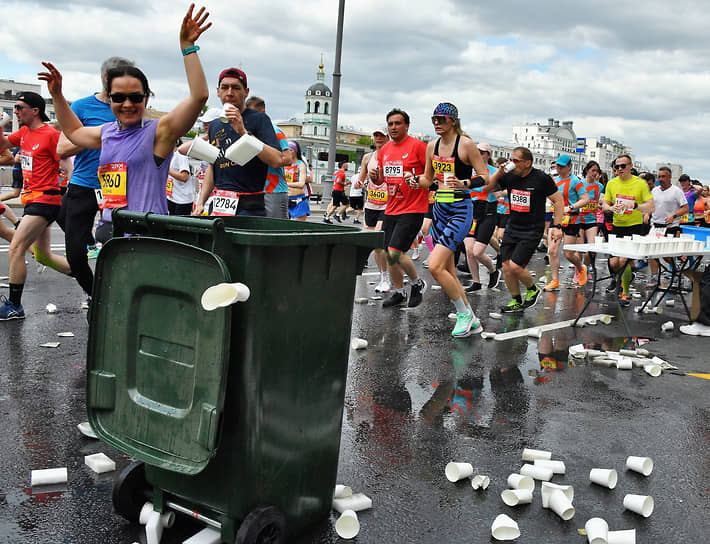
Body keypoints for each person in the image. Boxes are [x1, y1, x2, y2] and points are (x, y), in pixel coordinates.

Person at [41, 4, 210, 235]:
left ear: (146, 97)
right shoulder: (107, 132)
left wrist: (188, 47)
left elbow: (199, 97)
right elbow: (74, 132)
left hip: (146, 234)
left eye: (135, 97)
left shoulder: (159, 132)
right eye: (119, 97)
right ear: (109, 98)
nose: (127, 104)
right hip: (111, 229)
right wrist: (58, 95)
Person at [54, 56, 134, 299]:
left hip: (121, 190)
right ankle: (96, 296)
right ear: (107, 80)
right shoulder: (81, 107)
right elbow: (61, 150)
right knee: (76, 255)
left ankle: (118, 299)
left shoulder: (130, 107)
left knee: (124, 251)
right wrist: (98, 137)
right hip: (85, 184)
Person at [412, 102, 489, 337]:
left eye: (441, 119)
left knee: (435, 266)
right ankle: (472, 319)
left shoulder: (465, 144)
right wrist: (415, 180)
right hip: (440, 209)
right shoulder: (432, 146)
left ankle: (463, 313)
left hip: (460, 210)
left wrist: (464, 183)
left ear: (452, 121)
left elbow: (484, 176)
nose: (436, 123)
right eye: (434, 118)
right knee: (449, 270)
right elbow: (428, 179)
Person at [0, 91, 72, 319]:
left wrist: (72, 188)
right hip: (32, 200)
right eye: (15, 108)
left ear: (35, 110)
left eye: (20, 107)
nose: (17, 111)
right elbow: (2, 144)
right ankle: (90, 281)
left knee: (16, 248)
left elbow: (67, 163)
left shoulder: (50, 135)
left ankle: (14, 306)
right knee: (43, 256)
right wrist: (2, 124)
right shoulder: (23, 133)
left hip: (46, 199)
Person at [194, 66, 282, 217]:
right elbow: (213, 165)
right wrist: (201, 201)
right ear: (218, 91)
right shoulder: (215, 125)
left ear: (246, 92)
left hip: (250, 205)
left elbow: (276, 160)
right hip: (220, 204)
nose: (229, 93)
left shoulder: (259, 120)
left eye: (235, 88)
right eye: (225, 87)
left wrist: (243, 132)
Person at [491, 147, 564, 313]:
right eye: (511, 159)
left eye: (516, 160)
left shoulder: (541, 178)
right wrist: (500, 172)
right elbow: (489, 186)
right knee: (506, 266)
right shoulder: (509, 176)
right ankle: (516, 300)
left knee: (515, 266)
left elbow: (558, 201)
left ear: (527, 163)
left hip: (532, 229)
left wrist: (557, 226)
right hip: (513, 226)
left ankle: (533, 289)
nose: (512, 163)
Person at [377, 108, 428, 308]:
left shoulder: (418, 147)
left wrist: (415, 179)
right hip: (391, 208)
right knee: (388, 255)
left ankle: (417, 283)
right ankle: (399, 292)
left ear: (407, 125)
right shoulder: (385, 150)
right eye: (390, 124)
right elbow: (382, 179)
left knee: (394, 252)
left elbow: (429, 176)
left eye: (398, 123)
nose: (393, 127)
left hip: (413, 208)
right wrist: (375, 176)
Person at [600, 154, 654, 306]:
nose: (619, 169)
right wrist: (610, 208)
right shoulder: (611, 183)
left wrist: (635, 206)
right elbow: (604, 205)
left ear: (630, 166)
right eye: (617, 166)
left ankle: (625, 292)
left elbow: (650, 206)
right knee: (614, 262)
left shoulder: (640, 183)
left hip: (634, 226)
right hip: (617, 226)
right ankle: (626, 277)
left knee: (624, 260)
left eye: (623, 166)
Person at [543, 154, 590, 291]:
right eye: (557, 165)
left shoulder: (575, 181)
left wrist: (570, 207)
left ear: (569, 167)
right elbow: (550, 198)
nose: (559, 168)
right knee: (552, 250)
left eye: (562, 166)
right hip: (556, 219)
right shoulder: (554, 181)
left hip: (572, 219)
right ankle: (555, 280)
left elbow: (585, 199)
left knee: (568, 253)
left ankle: (581, 268)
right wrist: (548, 202)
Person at [462, 141, 500, 292]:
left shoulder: (493, 172)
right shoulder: (467, 170)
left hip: (488, 211)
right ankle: (476, 282)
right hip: (470, 211)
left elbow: (500, 193)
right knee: (469, 250)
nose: (479, 154)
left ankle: (493, 270)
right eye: (476, 151)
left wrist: (494, 189)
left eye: (482, 152)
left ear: (488, 155)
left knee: (478, 251)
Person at [245, 96, 290, 219]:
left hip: (273, 191)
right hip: (253, 190)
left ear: (262, 112)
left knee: (276, 232)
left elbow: (287, 159)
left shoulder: (275, 131)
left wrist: (265, 153)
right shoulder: (246, 131)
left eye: (253, 113)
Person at [359, 127, 390, 292]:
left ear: (387, 137)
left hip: (388, 204)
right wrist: (360, 183)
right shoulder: (367, 157)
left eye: (381, 136)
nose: (378, 138)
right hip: (371, 203)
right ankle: (383, 275)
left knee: (379, 240)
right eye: (376, 135)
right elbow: (361, 179)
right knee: (371, 240)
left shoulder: (392, 156)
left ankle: (385, 278)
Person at [166, 139, 193, 215]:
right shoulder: (169, 155)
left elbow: (184, 177)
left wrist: (167, 169)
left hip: (182, 201)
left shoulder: (181, 155)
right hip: (171, 197)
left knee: (178, 225)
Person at [285, 140, 310, 221]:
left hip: (298, 201)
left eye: (290, 150)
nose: (288, 152)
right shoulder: (283, 164)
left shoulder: (301, 165)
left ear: (295, 151)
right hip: (285, 200)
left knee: (296, 229)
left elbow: (301, 184)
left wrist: (286, 184)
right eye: (286, 150)